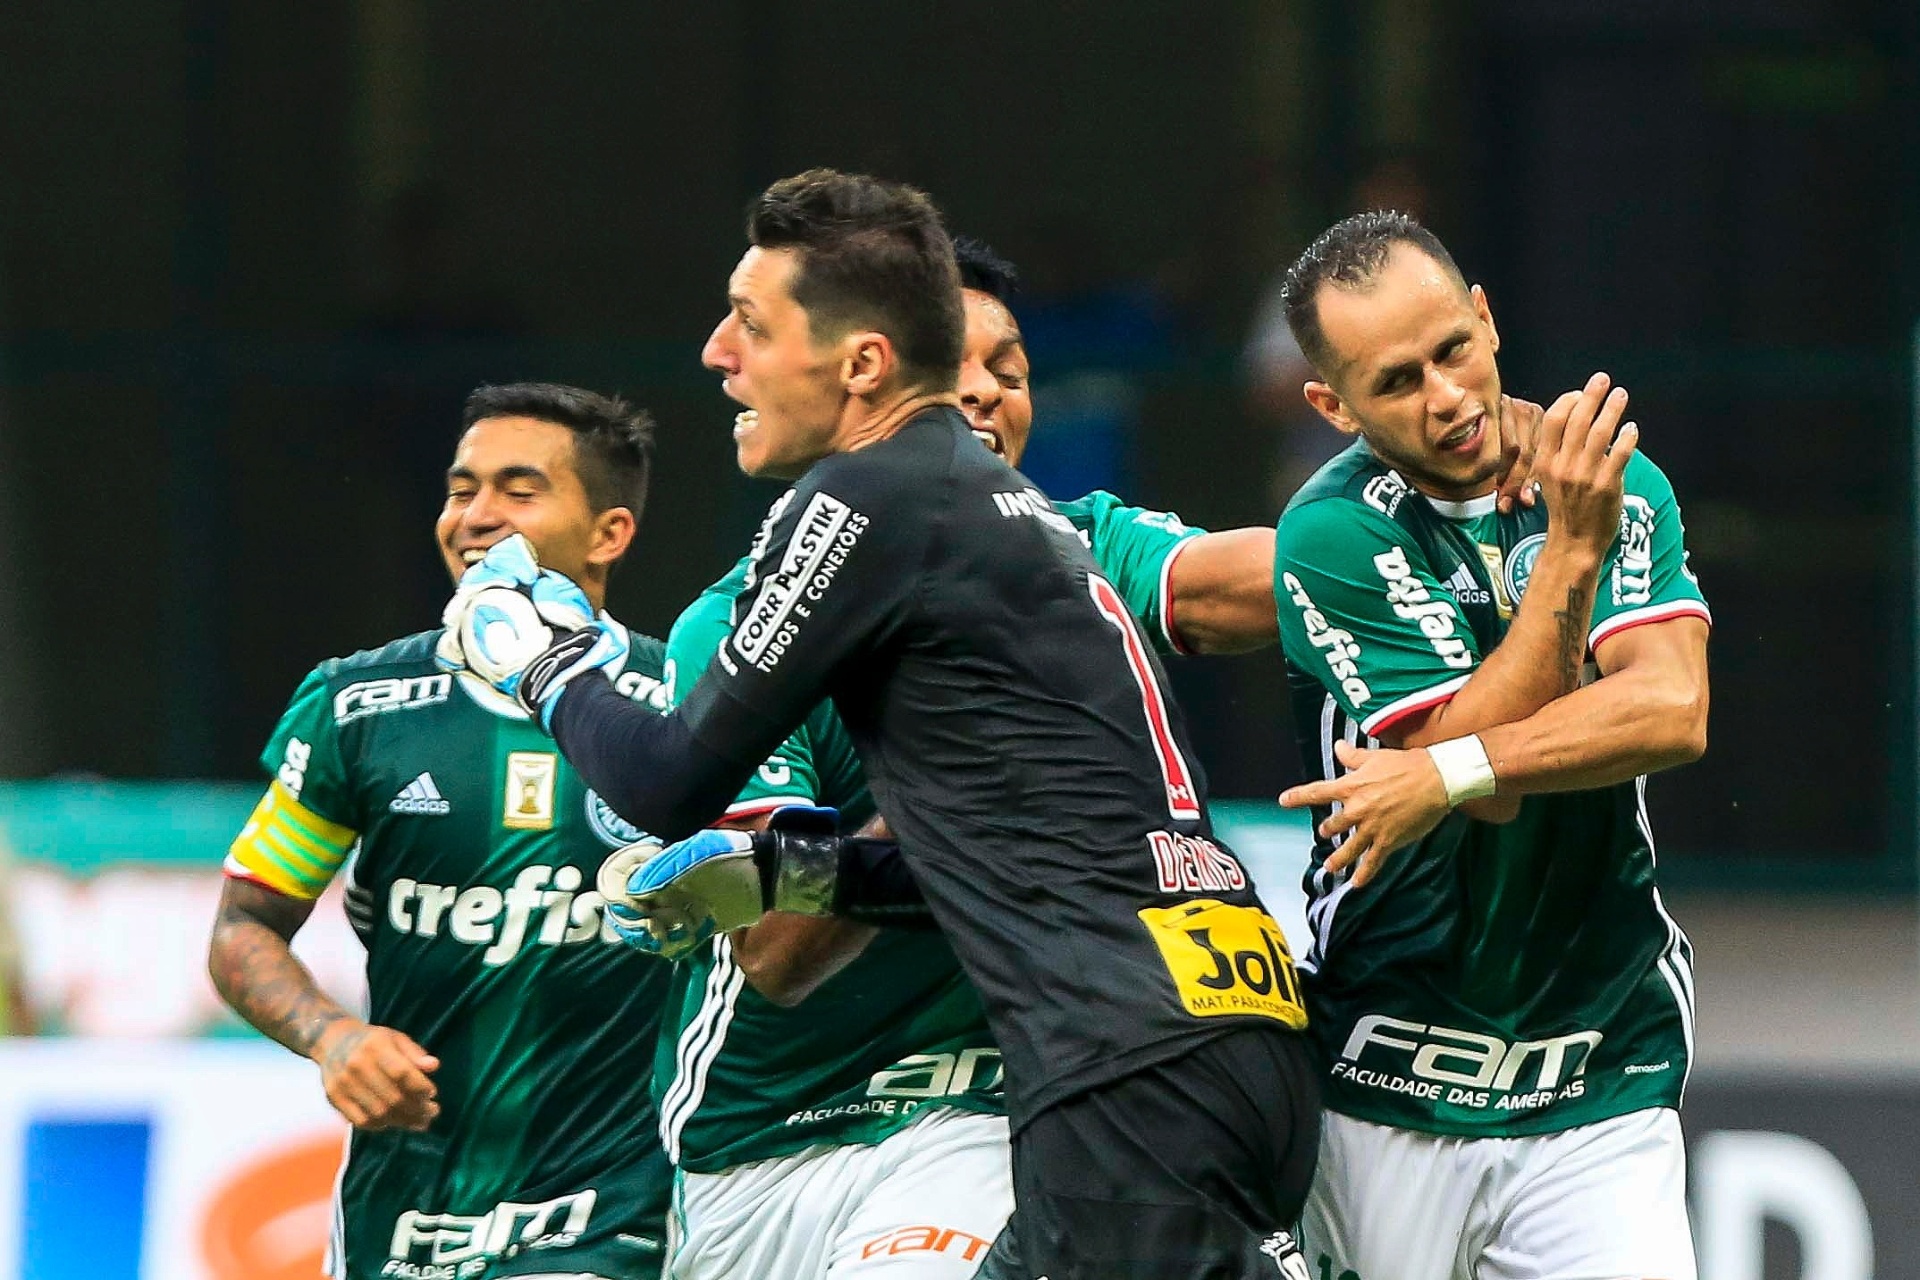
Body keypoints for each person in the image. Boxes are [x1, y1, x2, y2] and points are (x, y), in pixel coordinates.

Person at [442, 169, 1322, 1279]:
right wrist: (789, 869)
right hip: (1217, 1039)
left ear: (862, 364)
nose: (718, 352)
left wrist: (548, 658)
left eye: (752, 323)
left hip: (1117, 1071)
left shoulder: (866, 498)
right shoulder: (1026, 526)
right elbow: (1003, 849)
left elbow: (665, 780)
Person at [646, 236, 1285, 1280]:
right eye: (955, 367)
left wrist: (1404, 527)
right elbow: (772, 950)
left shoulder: (1075, 547)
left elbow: (1254, 578)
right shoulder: (736, 623)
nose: (987, 391)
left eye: (1012, 369)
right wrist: (981, 773)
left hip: (985, 1115)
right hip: (768, 1144)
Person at [1267, 211, 1710, 1280]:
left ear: (1486, 316)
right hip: (1386, 1063)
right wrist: (1571, 550)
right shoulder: (1333, 531)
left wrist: (1445, 771)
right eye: (1397, 381)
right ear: (1333, 406)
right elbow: (1490, 783)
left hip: (1599, 1057)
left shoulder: (1609, 474)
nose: (1448, 396)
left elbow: (1670, 710)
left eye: (1453, 350)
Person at [208, 383, 675, 1280]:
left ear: (609, 534)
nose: (475, 516)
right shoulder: (359, 707)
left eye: (518, 490)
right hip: (399, 1214)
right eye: (462, 490)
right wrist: (333, 1037)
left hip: (618, 1209)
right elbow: (244, 927)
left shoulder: (685, 707)